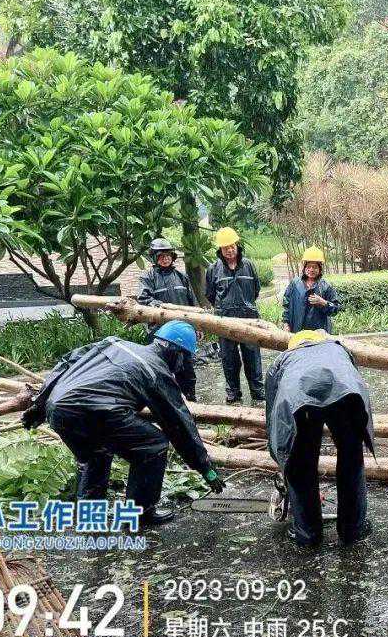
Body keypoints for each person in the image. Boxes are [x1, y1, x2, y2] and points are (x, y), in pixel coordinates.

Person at [20, 321, 225, 526]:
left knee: (95, 456)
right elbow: (179, 424)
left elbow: (67, 362)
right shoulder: (155, 370)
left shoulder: (114, 343)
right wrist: (205, 467)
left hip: (58, 408)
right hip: (93, 411)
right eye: (186, 359)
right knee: (154, 445)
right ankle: (140, 513)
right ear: (176, 352)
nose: (183, 367)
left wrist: (40, 405)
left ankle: (90, 518)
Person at [265, 330, 374, 550]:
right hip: (348, 397)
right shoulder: (339, 349)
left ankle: (307, 534)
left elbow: (273, 415)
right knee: (352, 461)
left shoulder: (281, 361)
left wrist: (282, 458)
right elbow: (353, 377)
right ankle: (353, 529)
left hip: (299, 402)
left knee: (300, 465)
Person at [206, 226, 264, 405]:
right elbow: (210, 294)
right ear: (220, 250)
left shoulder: (248, 265)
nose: (229, 250)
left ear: (237, 245)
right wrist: (224, 308)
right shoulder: (213, 269)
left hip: (248, 318)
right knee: (229, 358)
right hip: (225, 321)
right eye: (225, 248)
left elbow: (256, 290)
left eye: (232, 246)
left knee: (252, 356)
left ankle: (257, 391)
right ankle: (233, 392)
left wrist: (246, 305)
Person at [136, 237, 198, 401]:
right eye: (161, 256)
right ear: (154, 258)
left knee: (187, 368)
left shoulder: (181, 276)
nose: (165, 259)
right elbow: (143, 299)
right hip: (160, 332)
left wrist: (196, 326)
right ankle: (165, 403)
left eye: (168, 255)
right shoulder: (147, 278)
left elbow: (192, 303)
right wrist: (161, 306)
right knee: (161, 369)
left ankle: (191, 399)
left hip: (182, 331)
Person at [282, 246, 342, 333]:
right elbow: (287, 305)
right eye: (309, 266)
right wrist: (286, 324)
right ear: (304, 268)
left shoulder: (325, 286)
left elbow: (336, 308)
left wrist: (323, 302)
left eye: (315, 267)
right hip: (297, 331)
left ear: (320, 269)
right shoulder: (295, 284)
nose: (311, 270)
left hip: (319, 333)